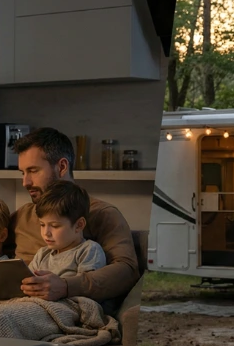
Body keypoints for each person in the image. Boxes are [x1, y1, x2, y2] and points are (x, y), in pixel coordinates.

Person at [9, 127, 139, 310]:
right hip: (16, 302)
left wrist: (66, 286)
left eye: (33, 171)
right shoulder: (23, 214)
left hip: (61, 308)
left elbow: (127, 271)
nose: (25, 182)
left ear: (62, 167)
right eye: (23, 173)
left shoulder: (102, 214)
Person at [27, 181, 107, 287]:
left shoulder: (88, 250)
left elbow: (86, 289)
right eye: (42, 225)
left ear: (79, 225)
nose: (46, 233)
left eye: (55, 226)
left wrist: (59, 286)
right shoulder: (42, 254)